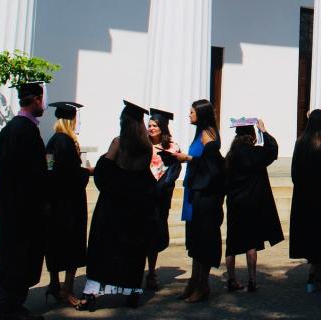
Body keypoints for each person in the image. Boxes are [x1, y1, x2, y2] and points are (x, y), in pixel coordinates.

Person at [77, 101, 157, 311]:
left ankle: (91, 294)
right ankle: (131, 293)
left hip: (113, 207)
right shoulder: (146, 147)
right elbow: (143, 178)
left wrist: (103, 162)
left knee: (103, 250)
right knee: (132, 253)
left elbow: (104, 174)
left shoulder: (118, 143)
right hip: (135, 209)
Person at [0, 82, 48, 320]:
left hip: (12, 207)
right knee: (17, 259)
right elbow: (29, 175)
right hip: (23, 210)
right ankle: (10, 307)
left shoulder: (11, 128)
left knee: (10, 257)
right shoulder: (25, 130)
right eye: (42, 100)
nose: (43, 105)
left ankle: (7, 304)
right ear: (36, 99)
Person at [224, 118, 283, 292]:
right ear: (251, 136)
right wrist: (263, 130)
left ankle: (231, 279)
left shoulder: (230, 156)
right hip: (252, 203)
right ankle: (252, 280)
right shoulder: (256, 153)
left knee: (232, 243)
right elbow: (273, 150)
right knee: (251, 242)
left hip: (235, 203)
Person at [289, 109, 321, 293]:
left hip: (305, 200)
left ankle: (312, 278)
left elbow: (295, 173)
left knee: (311, 238)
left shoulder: (300, 143)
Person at [44, 102, 90, 308]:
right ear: (71, 119)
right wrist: (87, 172)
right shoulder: (66, 142)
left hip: (54, 201)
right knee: (72, 245)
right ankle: (67, 290)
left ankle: (54, 284)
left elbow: (51, 171)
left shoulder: (52, 141)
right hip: (69, 204)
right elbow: (69, 174)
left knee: (54, 244)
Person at [180, 99, 225, 303]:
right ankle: (194, 280)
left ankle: (202, 284)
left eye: (192, 112)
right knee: (194, 240)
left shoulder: (209, 136)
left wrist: (186, 159)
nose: (189, 115)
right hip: (195, 191)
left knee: (203, 239)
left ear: (201, 113)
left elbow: (212, 166)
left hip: (205, 195)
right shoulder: (200, 133)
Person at [145, 108, 183, 291]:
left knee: (154, 236)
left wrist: (160, 187)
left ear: (163, 128)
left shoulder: (172, 147)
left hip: (160, 198)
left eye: (154, 125)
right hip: (143, 197)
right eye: (149, 125)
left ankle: (151, 272)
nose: (151, 128)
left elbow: (174, 172)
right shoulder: (143, 144)